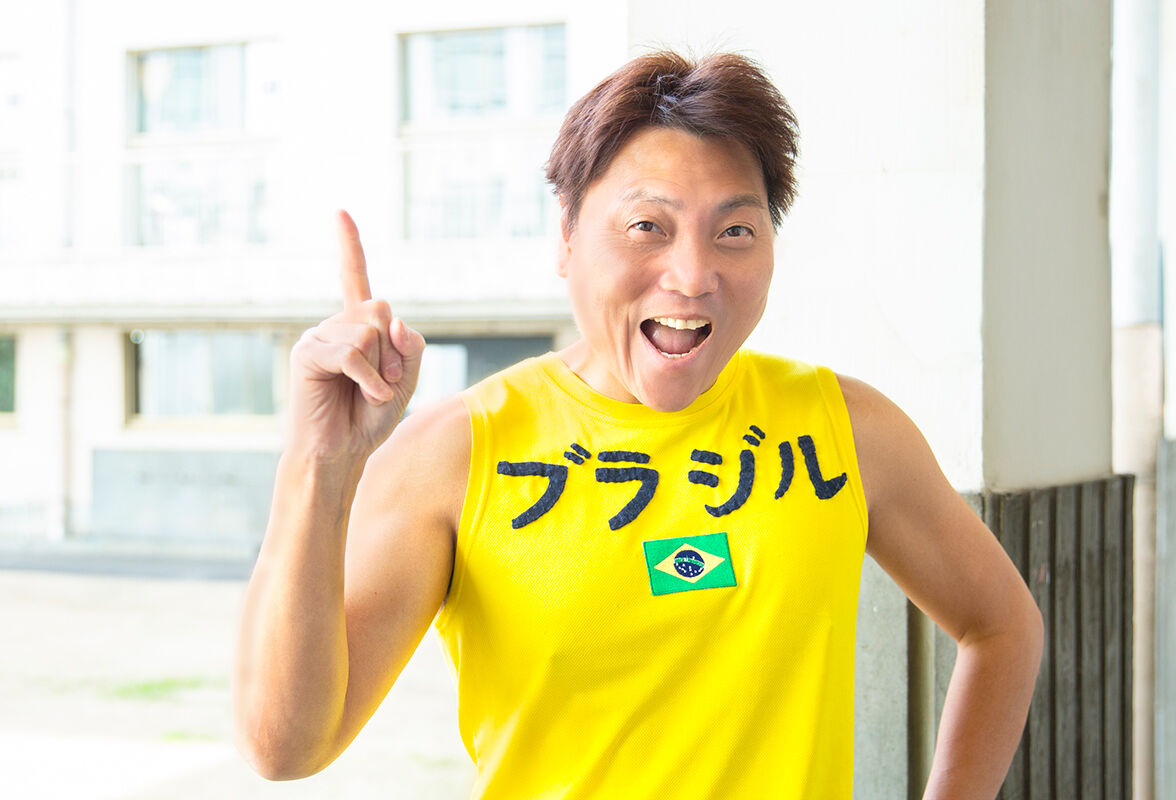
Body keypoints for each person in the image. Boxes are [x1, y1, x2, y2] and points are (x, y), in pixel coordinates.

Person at [234, 51, 1043, 799]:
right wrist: (319, 462)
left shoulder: (849, 430)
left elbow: (1003, 627)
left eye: (734, 231)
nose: (692, 275)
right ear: (567, 236)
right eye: (647, 226)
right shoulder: (457, 453)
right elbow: (286, 747)